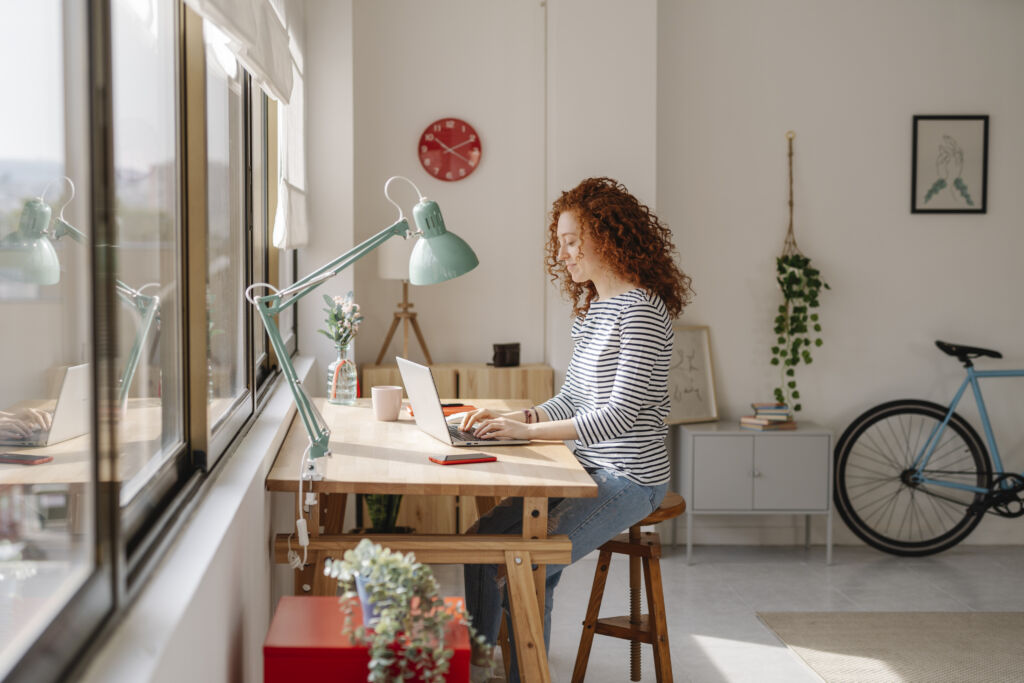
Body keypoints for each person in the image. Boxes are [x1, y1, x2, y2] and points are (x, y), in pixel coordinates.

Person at [461, 177, 693, 681]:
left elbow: (619, 418)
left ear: (608, 238)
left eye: (572, 242)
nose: (563, 254)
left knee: (530, 563)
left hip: (630, 477)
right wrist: (514, 420)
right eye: (560, 243)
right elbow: (573, 400)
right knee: (482, 540)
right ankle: (482, 663)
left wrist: (524, 436)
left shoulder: (644, 313)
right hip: (585, 464)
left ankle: (529, 673)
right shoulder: (592, 311)